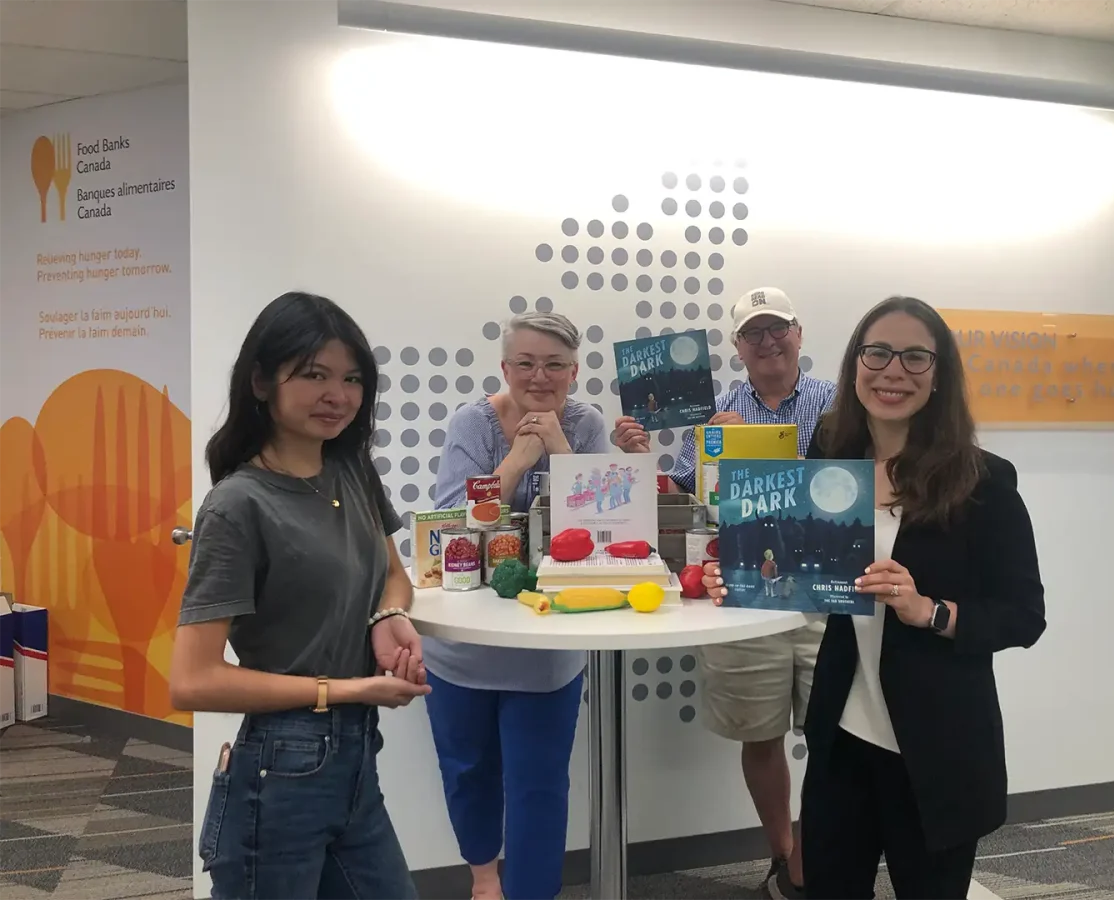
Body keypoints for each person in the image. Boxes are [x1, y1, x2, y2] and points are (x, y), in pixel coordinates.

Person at [704, 295, 1046, 899]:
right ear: (855, 362)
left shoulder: (984, 481)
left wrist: (929, 610)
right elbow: (805, 571)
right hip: (842, 734)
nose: (894, 371)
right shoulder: (834, 453)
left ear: (940, 374)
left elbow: (1023, 616)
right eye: (878, 352)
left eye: (916, 357)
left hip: (935, 745)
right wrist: (741, 577)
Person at [169, 292, 428, 900]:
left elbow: (393, 574)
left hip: (355, 760)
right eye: (313, 375)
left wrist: (387, 615)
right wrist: (349, 690)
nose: (337, 395)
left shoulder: (352, 469)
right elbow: (193, 681)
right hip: (281, 767)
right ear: (262, 382)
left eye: (351, 379)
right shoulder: (238, 505)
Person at [615, 286, 835, 899]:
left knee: (836, 736)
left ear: (799, 332)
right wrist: (643, 459)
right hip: (739, 590)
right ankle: (782, 854)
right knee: (759, 732)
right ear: (737, 346)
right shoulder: (713, 414)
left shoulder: (839, 405)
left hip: (825, 589)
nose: (768, 341)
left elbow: (855, 486)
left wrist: (762, 454)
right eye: (753, 332)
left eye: (778, 328)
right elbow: (685, 502)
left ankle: (816, 859)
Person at [427, 311, 609, 900]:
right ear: (505, 368)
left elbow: (604, 528)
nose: (539, 376)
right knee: (468, 772)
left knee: (539, 785)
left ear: (574, 372)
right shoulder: (471, 424)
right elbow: (450, 532)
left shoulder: (586, 425)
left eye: (555, 365)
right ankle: (484, 882)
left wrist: (560, 451)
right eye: (526, 363)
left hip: (547, 648)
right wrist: (517, 460)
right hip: (464, 646)